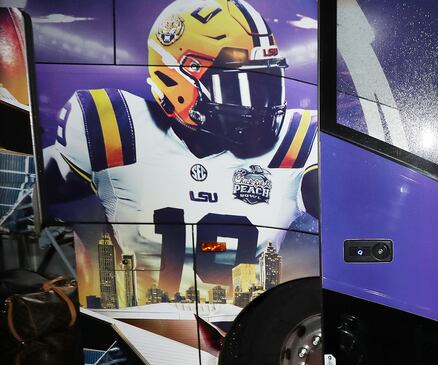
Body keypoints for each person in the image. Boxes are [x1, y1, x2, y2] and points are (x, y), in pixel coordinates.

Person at [42, 0, 318, 299]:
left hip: (249, 326)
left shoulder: (296, 140)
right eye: (236, 86)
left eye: (264, 85)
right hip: (135, 326)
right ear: (175, 81)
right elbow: (25, 199)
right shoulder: (114, 129)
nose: (258, 106)